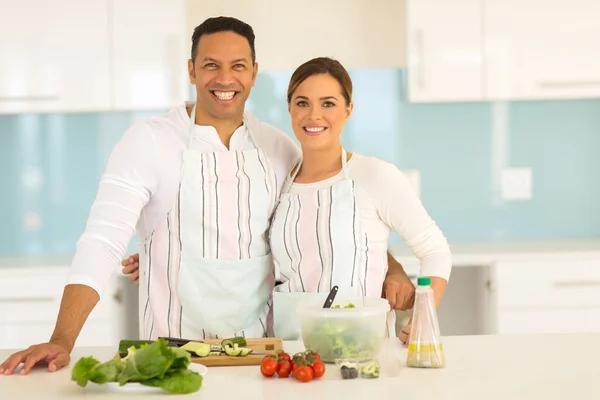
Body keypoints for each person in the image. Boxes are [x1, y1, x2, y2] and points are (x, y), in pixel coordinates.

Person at [0, 16, 414, 376]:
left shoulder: (277, 148)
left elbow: (325, 222)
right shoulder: (148, 142)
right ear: (191, 71)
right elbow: (103, 240)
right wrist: (62, 340)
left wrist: (391, 267)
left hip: (259, 358)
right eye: (210, 65)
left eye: (237, 66)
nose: (224, 78)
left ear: (254, 73)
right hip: (171, 356)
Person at [121, 57, 453, 341]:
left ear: (348, 110)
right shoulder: (280, 177)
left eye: (328, 103)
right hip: (293, 354)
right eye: (303, 102)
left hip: (362, 350)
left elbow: (435, 250)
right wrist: (161, 254)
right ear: (290, 108)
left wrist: (421, 312)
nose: (314, 115)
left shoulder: (375, 176)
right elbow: (243, 241)